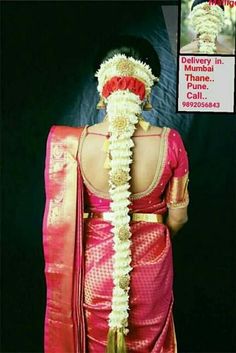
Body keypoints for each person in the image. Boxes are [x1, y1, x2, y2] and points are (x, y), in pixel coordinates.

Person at [42, 35, 190, 353]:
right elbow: (178, 217)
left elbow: (64, 221)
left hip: (94, 269)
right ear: (147, 90)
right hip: (152, 266)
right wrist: (154, 234)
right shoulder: (171, 141)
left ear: (102, 88)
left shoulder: (74, 143)